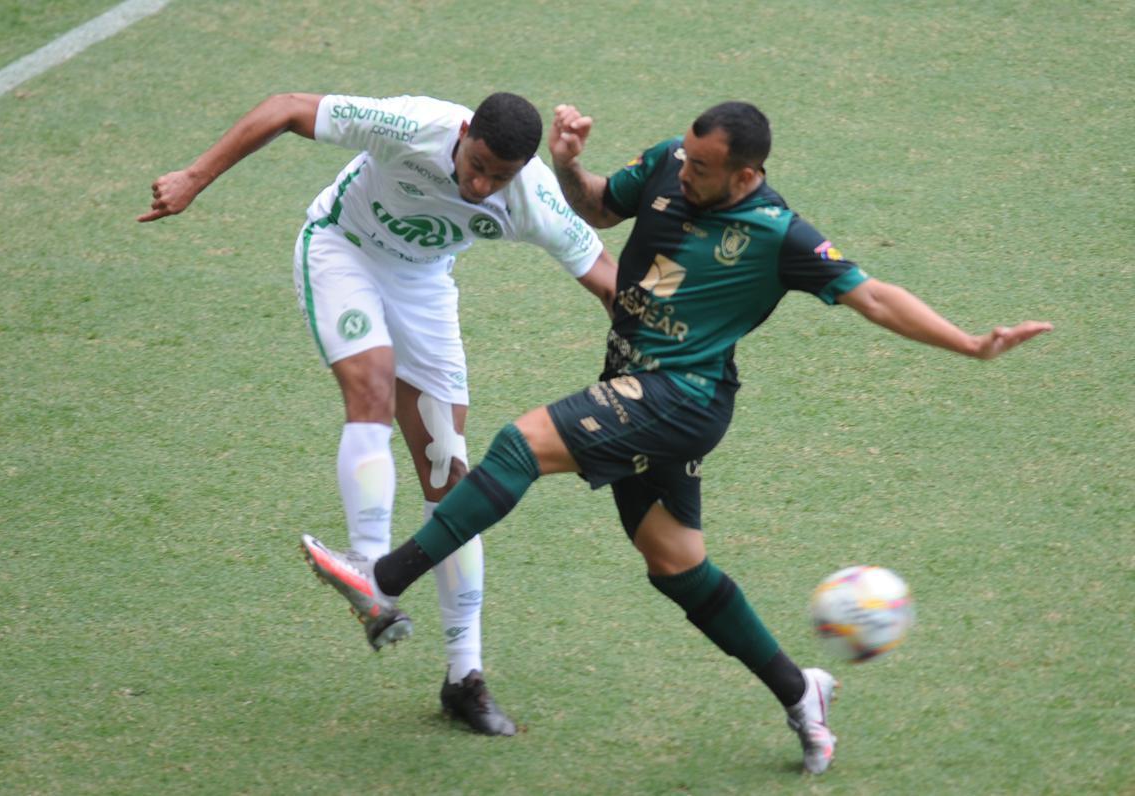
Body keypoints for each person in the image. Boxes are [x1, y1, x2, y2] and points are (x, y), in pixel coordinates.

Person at [298, 100, 1052, 772]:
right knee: (675, 563)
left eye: (703, 168)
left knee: (518, 447)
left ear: (747, 174)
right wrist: (569, 165)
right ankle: (802, 691)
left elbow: (876, 298)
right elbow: (595, 208)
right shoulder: (666, 161)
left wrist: (970, 344)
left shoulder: (779, 233)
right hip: (637, 385)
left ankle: (383, 579)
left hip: (681, 397)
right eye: (686, 157)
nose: (686, 172)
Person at [139, 91, 617, 736]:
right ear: (467, 131)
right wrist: (194, 178)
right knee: (371, 383)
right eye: (475, 164)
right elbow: (284, 108)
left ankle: (464, 677)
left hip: (422, 283)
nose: (479, 185)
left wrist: (675, 357)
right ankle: (370, 573)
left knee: (449, 472)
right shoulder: (414, 126)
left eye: (497, 178)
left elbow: (611, 283)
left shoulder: (529, 198)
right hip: (343, 249)